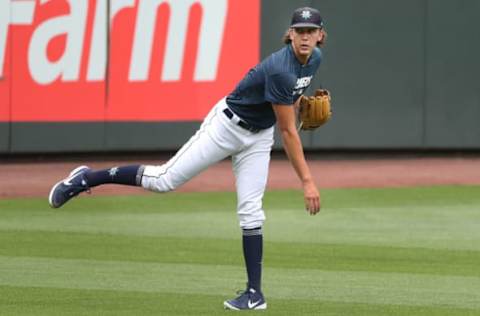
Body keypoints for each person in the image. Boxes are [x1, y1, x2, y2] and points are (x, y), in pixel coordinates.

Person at [49, 6, 327, 311]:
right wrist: (308, 181)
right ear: (290, 34)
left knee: (251, 210)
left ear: (320, 35)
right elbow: (288, 131)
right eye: (299, 31)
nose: (304, 36)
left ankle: (254, 293)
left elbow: (292, 99)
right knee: (164, 179)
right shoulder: (279, 68)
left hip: (259, 136)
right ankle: (87, 177)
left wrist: (301, 106)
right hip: (227, 126)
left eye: (310, 31)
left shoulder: (314, 59)